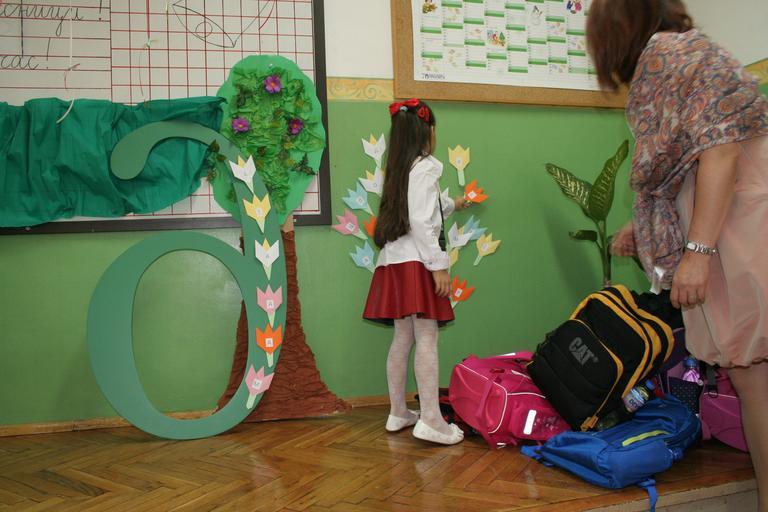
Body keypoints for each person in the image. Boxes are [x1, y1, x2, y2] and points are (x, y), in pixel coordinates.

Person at [586, 1, 768, 508]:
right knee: (754, 379)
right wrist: (640, 225)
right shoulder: (687, 53)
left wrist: (697, 253)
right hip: (734, 224)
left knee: (755, 380)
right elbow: (688, 163)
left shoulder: (671, 56)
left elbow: (721, 152)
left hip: (739, 232)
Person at [363, 98, 469, 445]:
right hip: (417, 262)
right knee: (426, 337)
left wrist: (454, 204)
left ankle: (398, 411)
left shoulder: (399, 168)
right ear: (428, 132)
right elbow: (422, 221)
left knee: (403, 337)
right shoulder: (424, 168)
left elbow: (422, 207)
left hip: (394, 262)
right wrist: (438, 265)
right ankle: (432, 420)